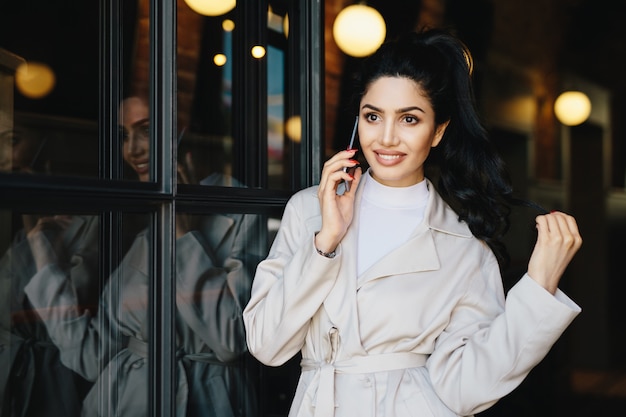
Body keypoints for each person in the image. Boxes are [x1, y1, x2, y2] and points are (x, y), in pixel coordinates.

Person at [243, 28, 583, 417]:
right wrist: (326, 241)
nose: (386, 138)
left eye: (409, 119)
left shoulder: (463, 244)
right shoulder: (308, 211)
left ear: (438, 131)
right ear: (358, 120)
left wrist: (538, 288)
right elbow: (267, 345)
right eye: (373, 116)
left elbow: (466, 389)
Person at [22, 96, 264, 416]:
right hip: (124, 400)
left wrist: (182, 235)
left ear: (187, 131)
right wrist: (46, 264)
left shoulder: (243, 211)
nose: (132, 149)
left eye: (146, 130)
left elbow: (230, 340)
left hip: (207, 400)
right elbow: (90, 356)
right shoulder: (145, 225)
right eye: (124, 135)